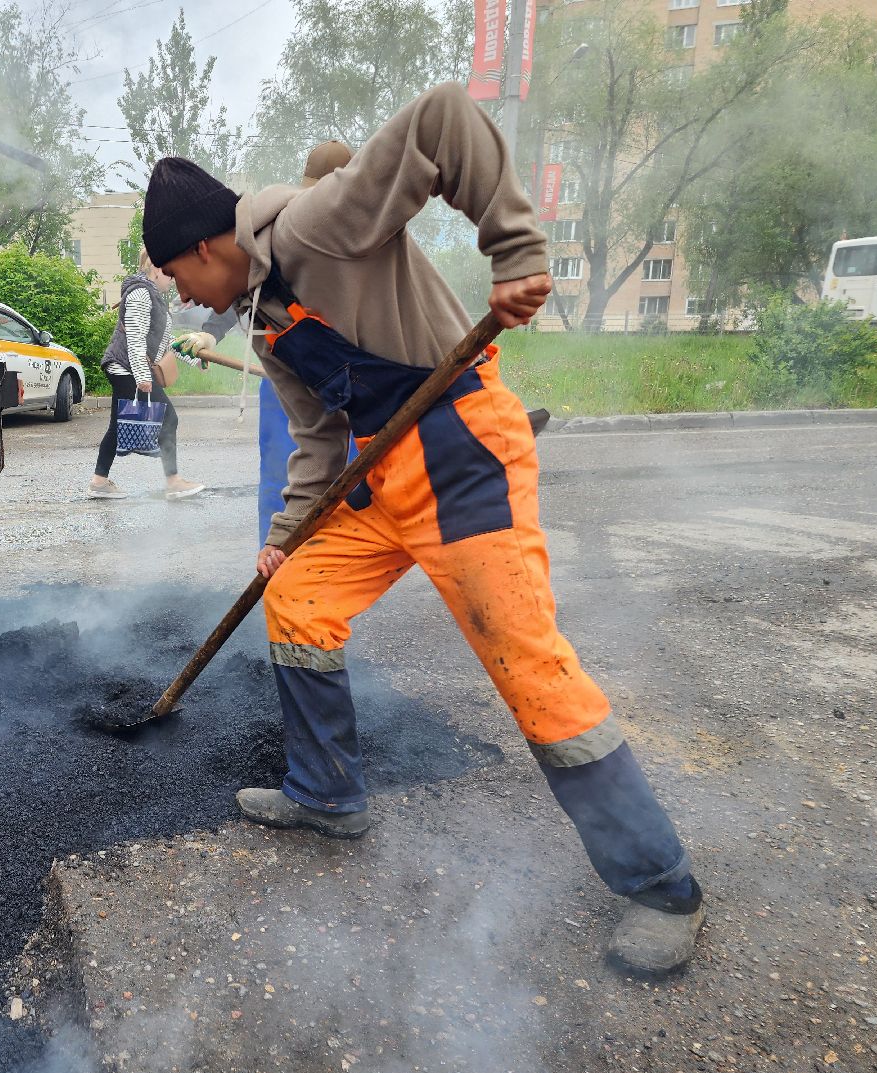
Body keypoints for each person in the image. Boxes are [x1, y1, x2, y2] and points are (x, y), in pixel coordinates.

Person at [140, 82, 704, 976]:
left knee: (529, 666)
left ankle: (661, 886)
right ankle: (327, 794)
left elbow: (443, 120)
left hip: (460, 452)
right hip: (379, 477)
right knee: (297, 595)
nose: (181, 294)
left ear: (205, 247)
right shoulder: (266, 321)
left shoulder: (315, 226)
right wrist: (291, 530)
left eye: (175, 276)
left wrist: (514, 247)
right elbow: (321, 442)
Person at [171, 138, 547, 546]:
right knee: (286, 478)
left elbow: (420, 321)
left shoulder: (363, 233)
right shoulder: (279, 234)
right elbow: (246, 289)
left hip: (353, 395)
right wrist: (212, 329)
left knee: (356, 487)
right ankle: (288, 559)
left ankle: (329, 559)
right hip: (291, 391)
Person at [88, 252, 206, 500]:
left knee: (118, 426)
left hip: (125, 367)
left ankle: (99, 481)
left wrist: (194, 358)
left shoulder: (153, 296)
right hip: (126, 367)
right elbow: (135, 338)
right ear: (154, 268)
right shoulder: (141, 293)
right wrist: (143, 376)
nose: (173, 280)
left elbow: (164, 343)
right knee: (169, 418)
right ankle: (173, 482)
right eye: (170, 273)